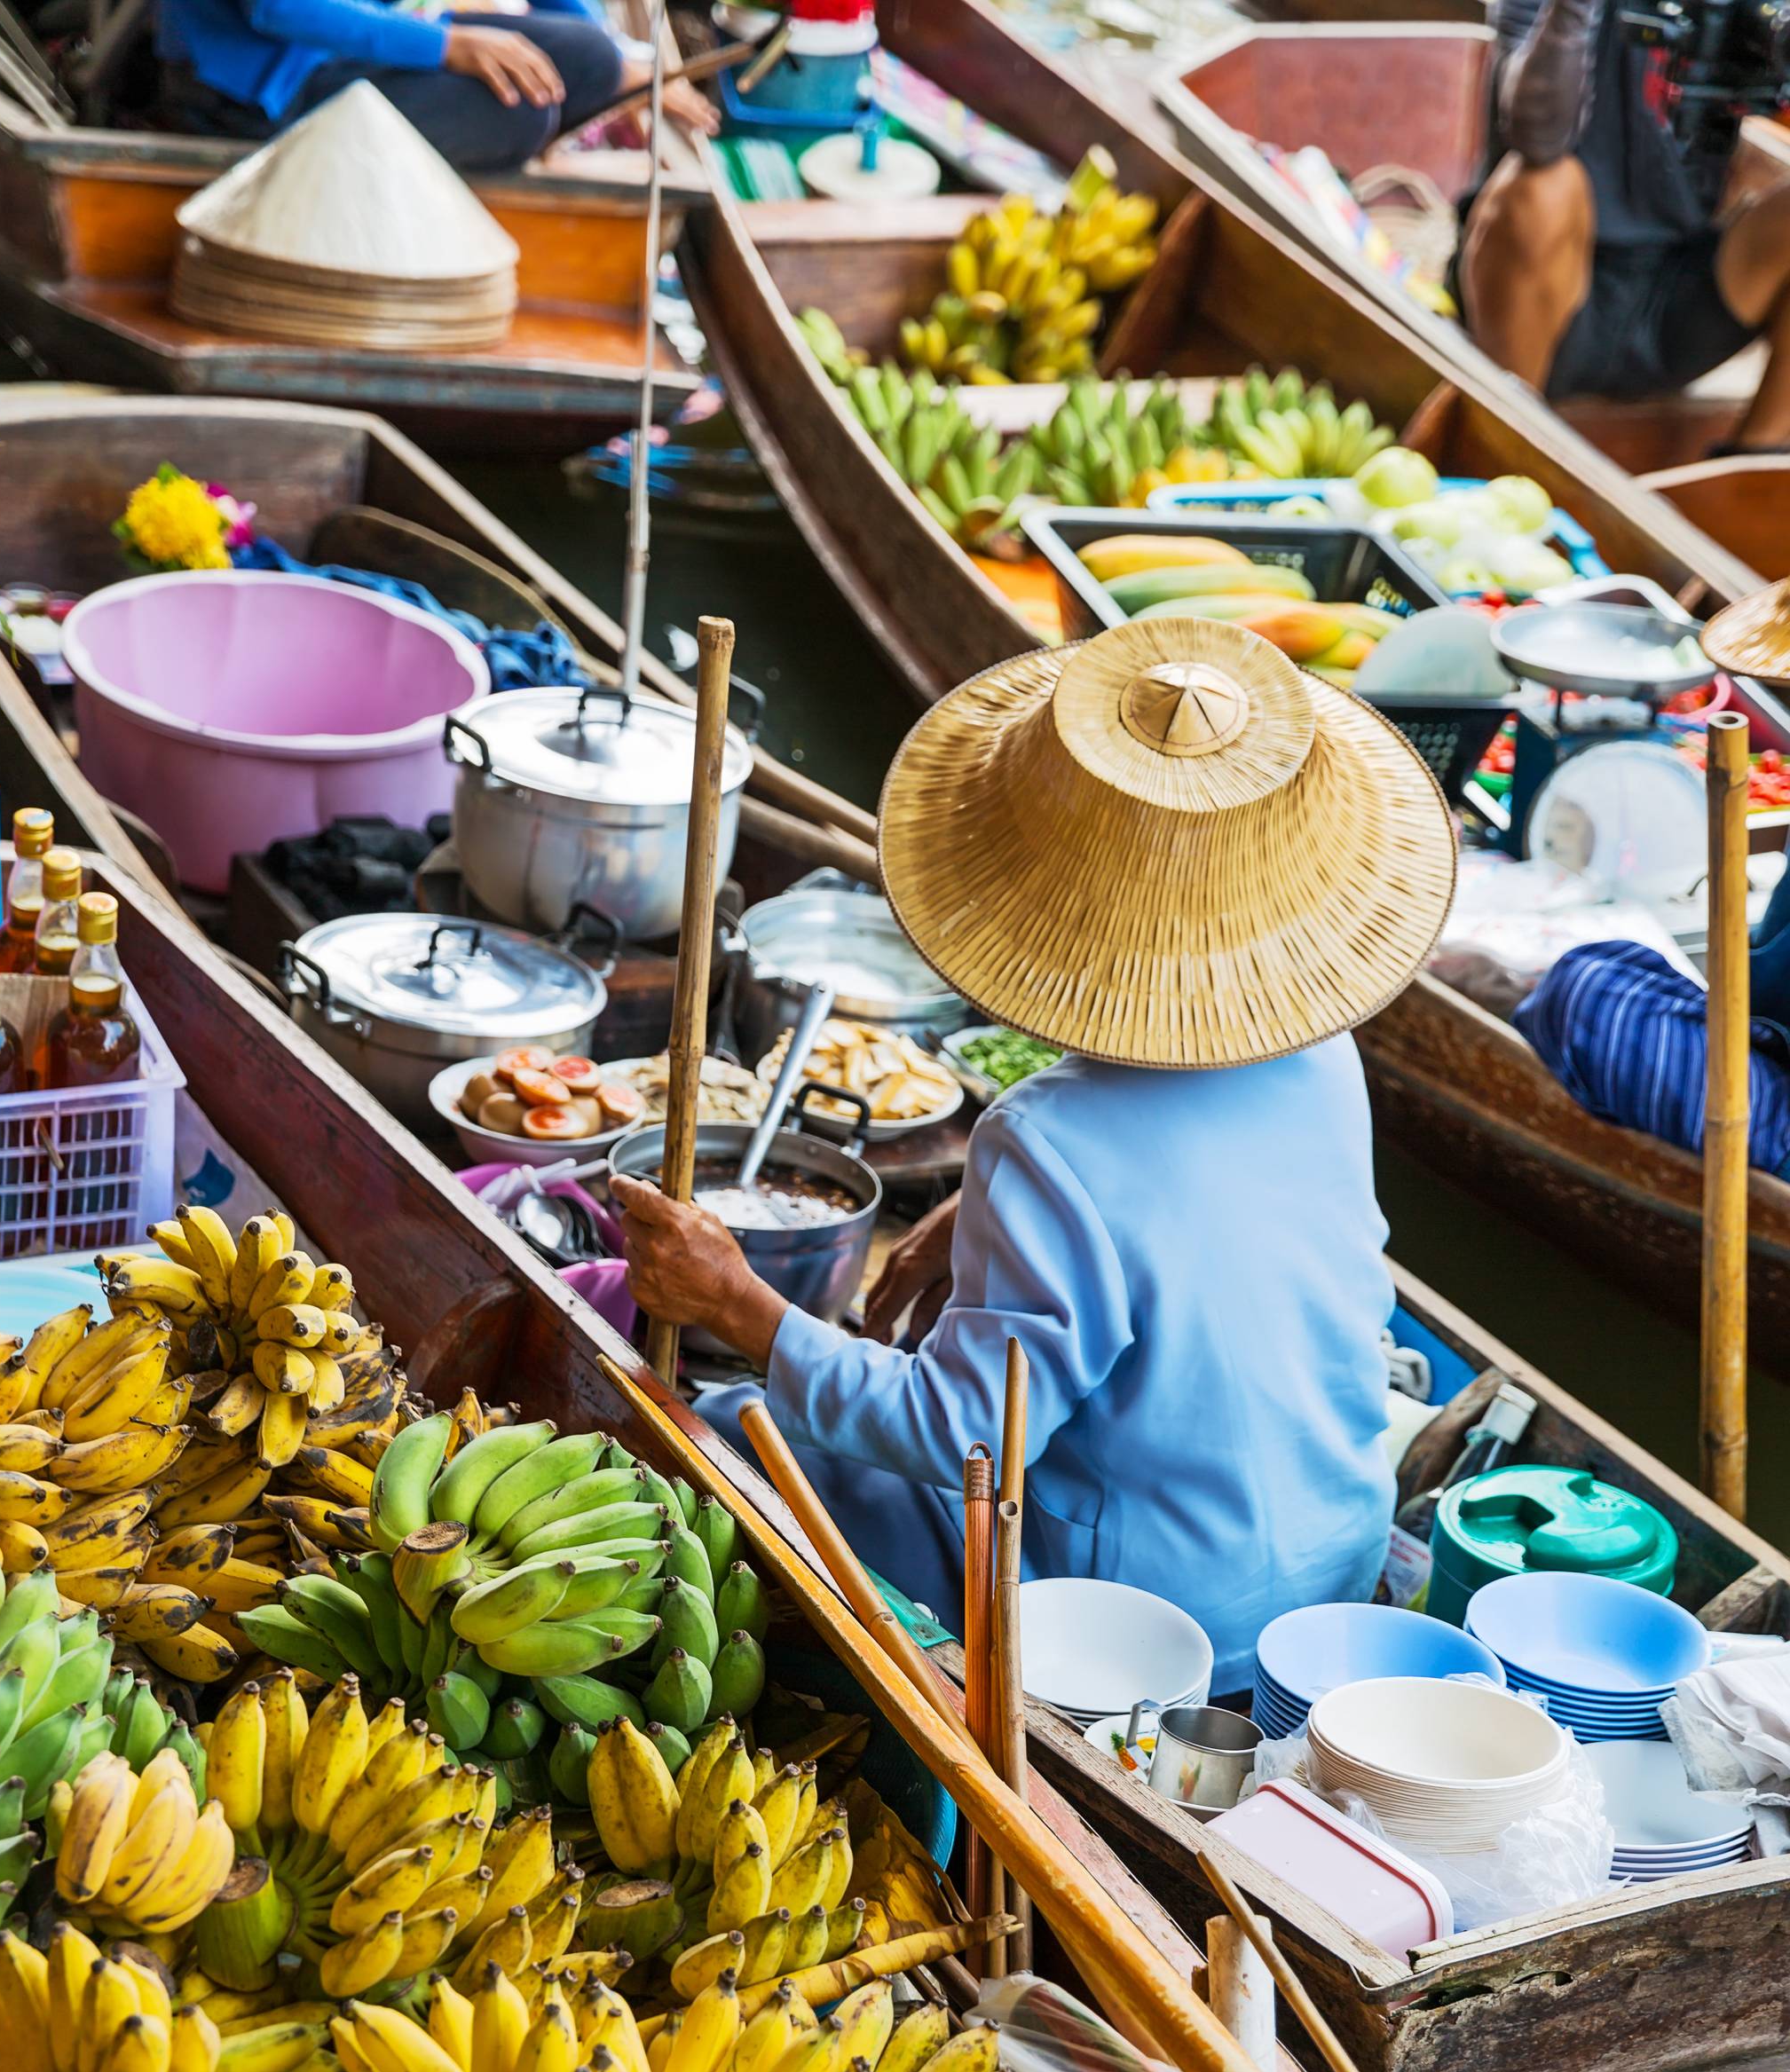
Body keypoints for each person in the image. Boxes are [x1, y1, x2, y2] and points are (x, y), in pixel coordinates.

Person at [611, 619, 1459, 1693]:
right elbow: (1175, 1217)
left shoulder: (1047, 1138)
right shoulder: (1320, 1050)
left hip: (1156, 1621)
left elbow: (959, 1440)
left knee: (738, 1420)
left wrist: (738, 1306)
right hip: (1328, 1556)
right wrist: (968, 1208)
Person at [1455, 0, 1790, 443]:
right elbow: (1537, 136)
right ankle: (1507, 444)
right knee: (1543, 185)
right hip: (1538, 299)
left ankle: (1751, 465)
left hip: (1675, 297)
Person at [158, 0, 653, 169]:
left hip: (355, 46)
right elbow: (280, 9)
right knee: (520, 113)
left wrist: (626, 64)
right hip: (267, 91)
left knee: (591, 60)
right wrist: (445, 45)